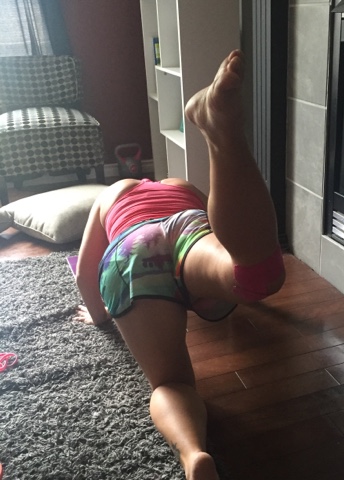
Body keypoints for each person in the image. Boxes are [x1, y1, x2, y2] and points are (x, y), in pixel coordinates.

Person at [74, 50, 286, 480]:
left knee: (170, 382)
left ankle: (193, 454)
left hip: (134, 247)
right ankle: (221, 134)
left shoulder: (110, 195)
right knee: (254, 274)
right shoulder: (180, 185)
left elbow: (84, 271)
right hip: (186, 224)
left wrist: (98, 315)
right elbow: (227, 229)